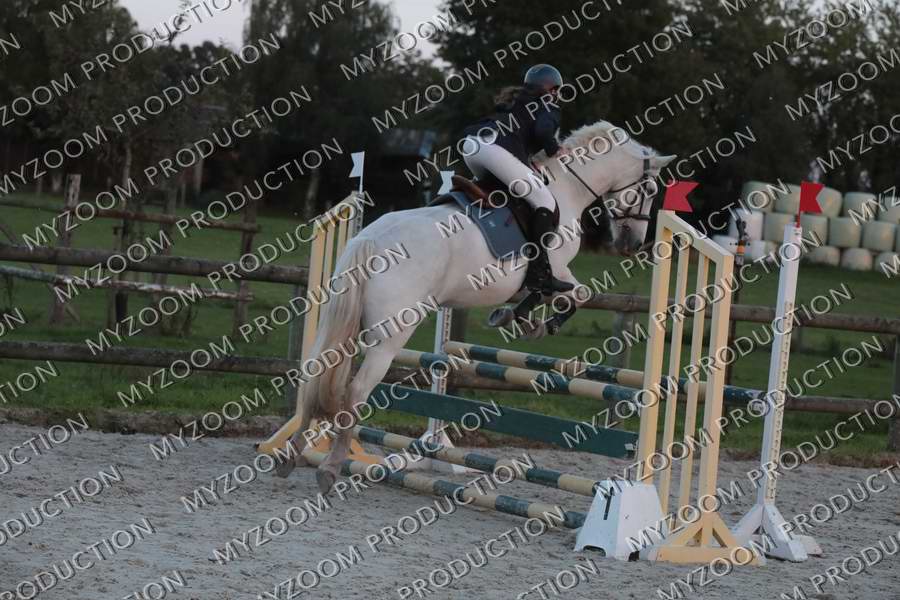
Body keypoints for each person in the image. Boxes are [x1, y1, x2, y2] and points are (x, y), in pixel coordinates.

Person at [460, 64, 573, 295]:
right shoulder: (548, 104)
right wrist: (555, 150)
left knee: (501, 191)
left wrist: (527, 161)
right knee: (545, 202)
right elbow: (543, 132)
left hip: (471, 145)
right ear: (552, 89)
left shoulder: (514, 101)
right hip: (495, 150)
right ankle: (539, 274)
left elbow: (519, 136)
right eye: (556, 91)